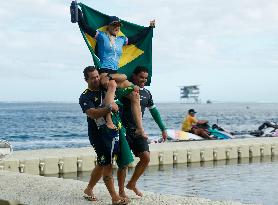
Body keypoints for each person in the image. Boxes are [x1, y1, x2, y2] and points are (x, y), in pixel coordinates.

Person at [74, 8, 155, 137]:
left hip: (116, 73)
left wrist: (149, 28)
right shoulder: (101, 36)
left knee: (135, 92)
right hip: (104, 72)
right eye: (114, 25)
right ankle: (109, 120)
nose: (116, 27)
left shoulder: (121, 40)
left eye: (118, 25)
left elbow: (136, 38)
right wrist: (78, 12)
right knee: (111, 85)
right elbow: (85, 27)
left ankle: (140, 129)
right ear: (109, 26)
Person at [79, 66, 130, 205]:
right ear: (86, 80)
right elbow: (92, 113)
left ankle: (89, 189)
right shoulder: (85, 96)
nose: (96, 79)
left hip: (112, 131)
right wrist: (108, 108)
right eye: (92, 78)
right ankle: (115, 197)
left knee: (103, 163)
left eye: (97, 76)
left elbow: (124, 77)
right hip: (97, 135)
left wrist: (109, 77)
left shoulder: (105, 86)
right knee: (107, 164)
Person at [117, 66, 168, 198]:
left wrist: (163, 128)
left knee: (145, 157)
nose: (143, 80)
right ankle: (121, 191)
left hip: (138, 131)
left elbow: (154, 111)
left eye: (146, 78)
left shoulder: (147, 93)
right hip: (123, 130)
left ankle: (132, 183)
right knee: (124, 162)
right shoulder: (125, 89)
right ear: (134, 76)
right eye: (141, 77)